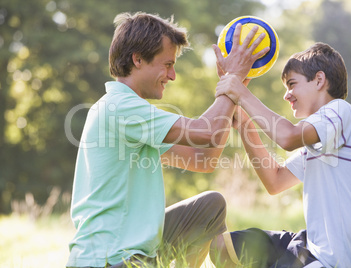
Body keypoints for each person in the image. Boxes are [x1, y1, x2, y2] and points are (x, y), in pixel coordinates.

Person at [66, 12, 269, 268]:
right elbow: (208, 134)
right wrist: (232, 83)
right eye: (167, 65)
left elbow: (202, 159)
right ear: (137, 60)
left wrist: (233, 90)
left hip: (138, 253)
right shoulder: (120, 107)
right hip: (111, 261)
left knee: (210, 206)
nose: (172, 76)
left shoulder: (134, 116)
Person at [209, 42, 351, 267]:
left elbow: (288, 137)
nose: (286, 96)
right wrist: (245, 125)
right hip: (310, 245)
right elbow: (275, 181)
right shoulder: (318, 142)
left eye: (292, 84)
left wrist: (240, 91)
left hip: (334, 260)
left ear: (319, 80)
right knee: (223, 246)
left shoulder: (341, 111)